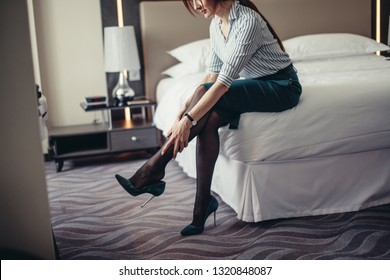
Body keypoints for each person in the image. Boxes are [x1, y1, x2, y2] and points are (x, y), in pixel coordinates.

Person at [115, 0, 302, 236]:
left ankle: (153, 169)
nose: (195, 6)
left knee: (203, 106)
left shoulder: (248, 21)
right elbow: (212, 74)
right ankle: (202, 205)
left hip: (282, 87)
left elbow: (223, 83)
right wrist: (185, 108)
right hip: (255, 84)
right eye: (190, 1)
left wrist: (188, 119)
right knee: (209, 120)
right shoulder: (216, 24)